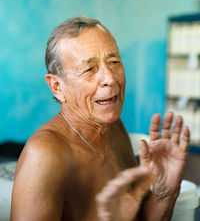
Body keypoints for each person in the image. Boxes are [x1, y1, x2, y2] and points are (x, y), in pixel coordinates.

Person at [11, 16, 190, 221]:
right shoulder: (45, 155)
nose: (110, 79)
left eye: (114, 62)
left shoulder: (113, 128)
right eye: (90, 69)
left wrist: (165, 191)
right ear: (57, 87)